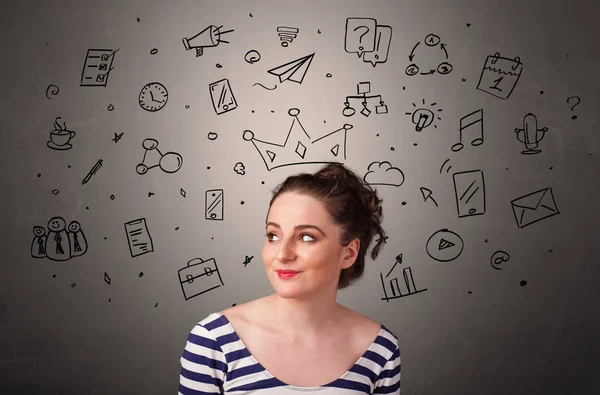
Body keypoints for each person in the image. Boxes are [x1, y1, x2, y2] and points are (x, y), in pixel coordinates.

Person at [179, 163, 401, 394]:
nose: (283, 254)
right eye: (273, 236)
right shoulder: (214, 341)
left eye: (306, 237)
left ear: (349, 253)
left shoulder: (380, 349)